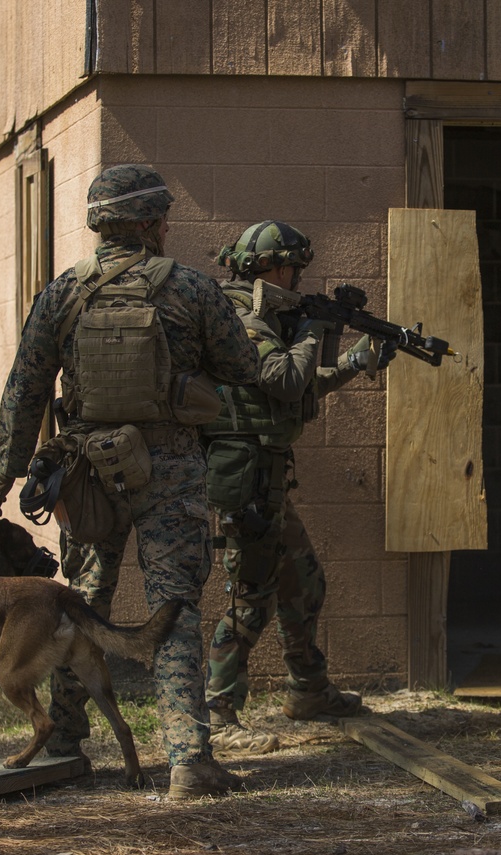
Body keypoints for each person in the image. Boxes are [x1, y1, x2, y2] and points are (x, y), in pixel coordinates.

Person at [0, 164, 260, 799]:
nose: (166, 225)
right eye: (163, 216)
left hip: (88, 473)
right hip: (170, 469)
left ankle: (61, 743)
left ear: (99, 223)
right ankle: (188, 759)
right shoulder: (189, 287)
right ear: (149, 224)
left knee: (80, 603)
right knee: (176, 606)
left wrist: (8, 465)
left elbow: (25, 388)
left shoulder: (62, 293)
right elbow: (243, 367)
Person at [200, 220, 395, 754]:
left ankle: (308, 689)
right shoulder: (239, 317)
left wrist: (355, 361)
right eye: (293, 267)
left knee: (303, 581)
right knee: (250, 596)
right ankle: (216, 714)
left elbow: (299, 389)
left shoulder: (267, 318)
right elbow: (285, 378)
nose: (297, 277)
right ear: (271, 267)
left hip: (268, 476)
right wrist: (311, 327)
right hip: (245, 478)